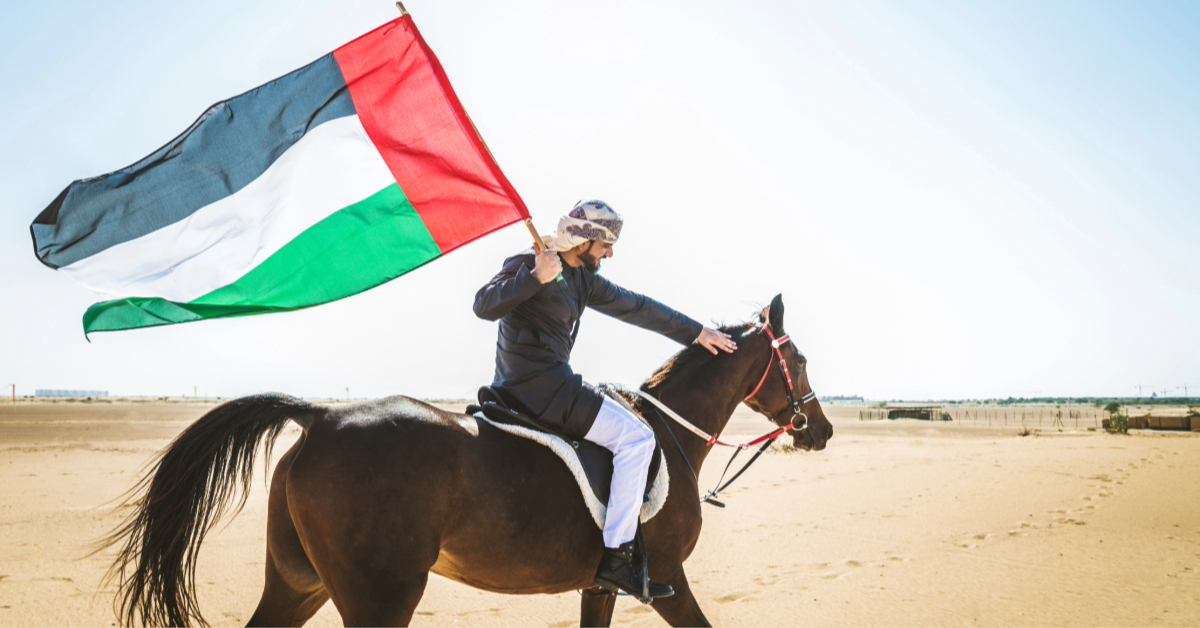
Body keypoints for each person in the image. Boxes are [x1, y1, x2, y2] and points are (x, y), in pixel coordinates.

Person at [473, 200, 737, 599]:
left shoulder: (584, 279)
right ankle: (618, 557)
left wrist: (696, 332)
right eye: (606, 245)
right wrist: (533, 278)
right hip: (541, 390)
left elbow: (638, 307)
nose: (611, 253)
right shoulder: (530, 261)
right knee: (638, 439)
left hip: (548, 386)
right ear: (583, 241)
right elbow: (483, 305)